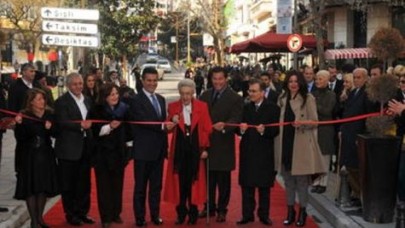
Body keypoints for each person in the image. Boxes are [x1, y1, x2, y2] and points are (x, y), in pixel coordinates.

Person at [274, 70, 327, 227]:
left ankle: (302, 212)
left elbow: (315, 122)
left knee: (302, 182)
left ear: (301, 83)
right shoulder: (282, 98)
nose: (293, 84)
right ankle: (290, 212)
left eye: (296, 81)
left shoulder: (308, 98)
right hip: (285, 144)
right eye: (290, 81)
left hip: (301, 145)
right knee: (288, 181)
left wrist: (302, 123)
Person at [163, 79, 212, 225]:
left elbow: (207, 128)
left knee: (194, 183)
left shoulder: (202, 106)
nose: (185, 97)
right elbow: (167, 128)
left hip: (195, 150)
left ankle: (193, 213)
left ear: (193, 93)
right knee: (180, 183)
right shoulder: (173, 107)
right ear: (179, 93)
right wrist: (172, 120)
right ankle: (180, 213)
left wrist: (205, 149)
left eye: (188, 94)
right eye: (183, 94)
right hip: (179, 151)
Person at [199, 66, 243, 222]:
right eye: (214, 79)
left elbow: (236, 119)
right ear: (211, 79)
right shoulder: (204, 95)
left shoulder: (235, 98)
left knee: (223, 182)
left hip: (224, 144)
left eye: (220, 79)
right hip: (207, 144)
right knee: (208, 180)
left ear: (226, 79)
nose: (217, 82)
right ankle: (209, 207)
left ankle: (222, 209)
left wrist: (225, 125)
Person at [130, 67, 172, 227]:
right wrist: (163, 126)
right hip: (142, 151)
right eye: (149, 80)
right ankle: (139, 218)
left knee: (156, 187)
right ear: (142, 81)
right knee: (140, 187)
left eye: (155, 80)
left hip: (159, 151)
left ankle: (155, 215)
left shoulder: (161, 99)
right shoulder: (135, 100)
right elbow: (143, 120)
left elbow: (163, 121)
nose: (152, 83)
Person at [236, 79, 280, 226]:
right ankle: (247, 215)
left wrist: (264, 130)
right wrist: (241, 128)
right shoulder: (246, 107)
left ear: (262, 92)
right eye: (249, 91)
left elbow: (275, 130)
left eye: (254, 91)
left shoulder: (273, 108)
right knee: (247, 186)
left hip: (264, 152)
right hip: (247, 151)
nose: (251, 94)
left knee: (264, 187)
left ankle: (264, 215)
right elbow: (237, 127)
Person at [54, 72, 95, 226]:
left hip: (86, 147)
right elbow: (62, 122)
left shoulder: (88, 100)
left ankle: (83, 212)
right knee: (69, 184)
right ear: (68, 86)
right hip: (69, 149)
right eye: (74, 84)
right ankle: (71, 215)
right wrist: (80, 126)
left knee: (84, 183)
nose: (78, 87)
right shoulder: (61, 102)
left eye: (80, 84)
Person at [14, 89, 58, 228]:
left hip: (45, 154)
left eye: (43, 99)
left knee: (43, 187)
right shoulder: (25, 115)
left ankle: (40, 218)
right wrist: (19, 124)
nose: (42, 102)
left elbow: (57, 133)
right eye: (39, 99)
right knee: (31, 188)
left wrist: (50, 128)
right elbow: (20, 138)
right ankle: (33, 220)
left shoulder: (49, 114)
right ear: (31, 101)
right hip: (29, 156)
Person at [89, 83, 131, 228]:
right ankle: (106, 217)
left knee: (117, 185)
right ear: (105, 96)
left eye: (116, 94)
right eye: (112, 94)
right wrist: (109, 127)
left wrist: (128, 148)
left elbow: (129, 131)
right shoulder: (96, 110)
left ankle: (115, 213)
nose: (115, 97)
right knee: (104, 187)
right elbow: (94, 132)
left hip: (119, 153)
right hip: (102, 155)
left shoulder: (124, 109)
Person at [340, 68, 376, 208]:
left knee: (357, 168)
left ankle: (363, 197)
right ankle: (357, 194)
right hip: (348, 134)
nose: (356, 80)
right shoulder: (353, 92)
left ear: (366, 78)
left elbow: (369, 116)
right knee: (349, 167)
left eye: (359, 77)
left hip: (358, 136)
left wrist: (362, 136)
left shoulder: (367, 94)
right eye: (354, 77)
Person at [311, 70, 336, 194]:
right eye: (316, 79)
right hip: (315, 128)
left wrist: (315, 104)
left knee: (325, 157)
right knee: (316, 157)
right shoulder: (313, 93)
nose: (317, 81)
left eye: (320, 79)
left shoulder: (331, 95)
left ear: (326, 80)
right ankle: (316, 181)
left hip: (325, 129)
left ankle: (324, 183)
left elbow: (327, 111)